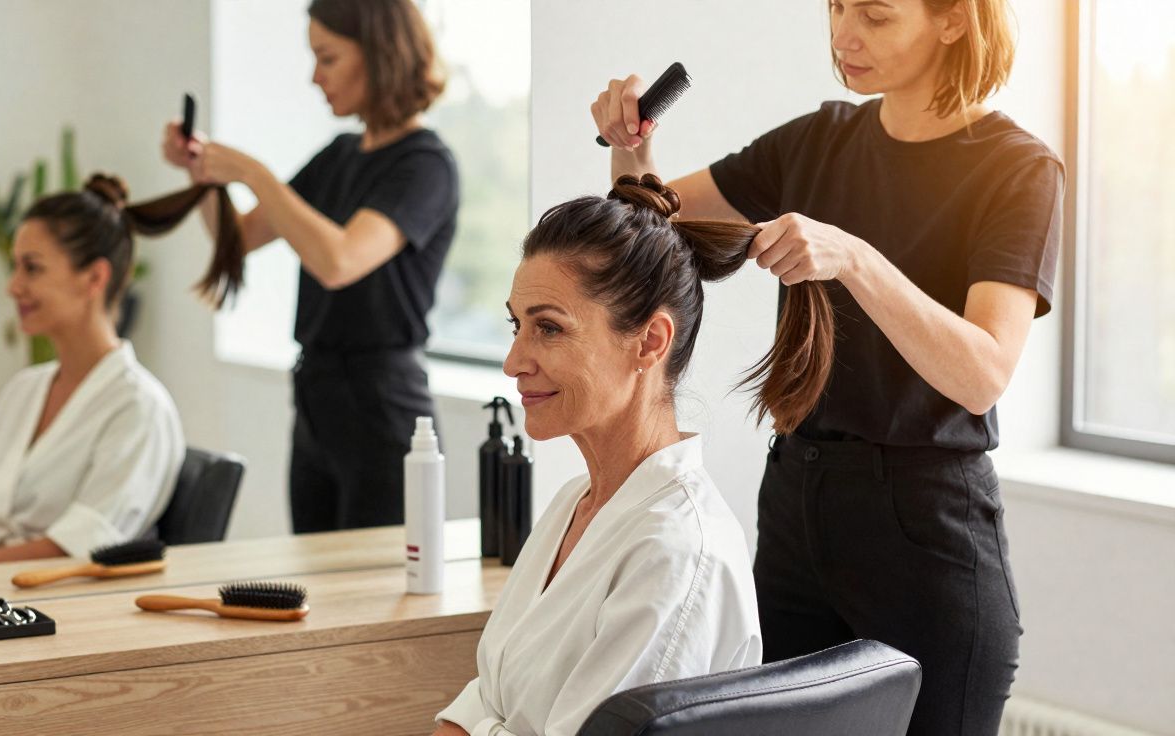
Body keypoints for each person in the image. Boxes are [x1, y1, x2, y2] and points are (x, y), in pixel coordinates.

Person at [591, 1, 1062, 733]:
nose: (845, 36)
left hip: (926, 533)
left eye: (875, 15)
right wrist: (631, 153)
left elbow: (983, 372)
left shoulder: (1017, 169)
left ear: (953, 21)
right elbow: (652, 229)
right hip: (796, 512)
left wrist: (854, 258)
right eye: (838, 7)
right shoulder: (819, 140)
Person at [433, 173, 842, 735]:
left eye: (548, 329)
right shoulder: (574, 504)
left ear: (650, 341)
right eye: (516, 326)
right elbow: (488, 695)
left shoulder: (676, 554)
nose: (514, 361)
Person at [161, 0, 460, 533]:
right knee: (319, 588)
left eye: (327, 58)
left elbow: (340, 260)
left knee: (376, 592)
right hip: (318, 401)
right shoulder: (340, 155)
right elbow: (241, 237)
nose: (314, 77)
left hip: (383, 408)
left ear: (380, 54)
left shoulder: (425, 165)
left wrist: (253, 173)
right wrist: (202, 176)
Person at [0, 174, 232, 565]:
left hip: (55, 607)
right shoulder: (24, 388)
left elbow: (79, 548)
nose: (13, 286)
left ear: (95, 277)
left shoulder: (138, 407)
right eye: (15, 267)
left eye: (31, 268)